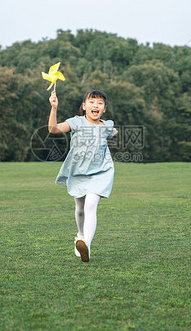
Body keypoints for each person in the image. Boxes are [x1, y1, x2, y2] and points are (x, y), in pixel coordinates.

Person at [48, 89, 117, 262]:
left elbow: (113, 131)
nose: (96, 105)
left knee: (91, 205)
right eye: (92, 102)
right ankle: (80, 235)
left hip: (101, 172)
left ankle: (86, 243)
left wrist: (113, 131)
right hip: (79, 171)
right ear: (84, 106)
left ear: (104, 109)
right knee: (80, 210)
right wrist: (54, 108)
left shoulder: (107, 125)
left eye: (100, 103)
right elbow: (53, 129)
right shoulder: (76, 122)